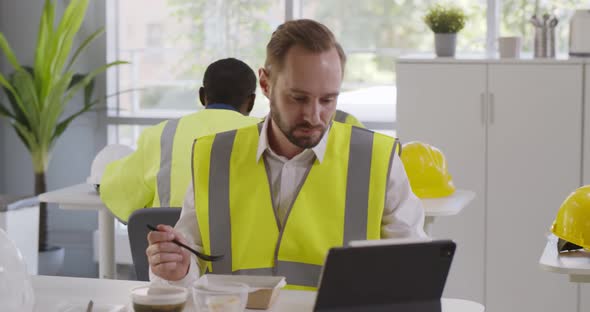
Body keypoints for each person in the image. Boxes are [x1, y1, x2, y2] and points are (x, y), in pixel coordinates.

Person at [146, 19, 426, 289]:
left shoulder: (378, 160)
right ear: (266, 85)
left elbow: (413, 272)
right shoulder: (215, 156)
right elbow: (186, 259)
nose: (314, 116)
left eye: (328, 99)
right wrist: (177, 269)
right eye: (298, 98)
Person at [100, 58, 261, 222]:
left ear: (202, 95)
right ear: (252, 101)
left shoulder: (162, 134)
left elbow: (118, 192)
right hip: (243, 245)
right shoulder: (266, 135)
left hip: (171, 242)